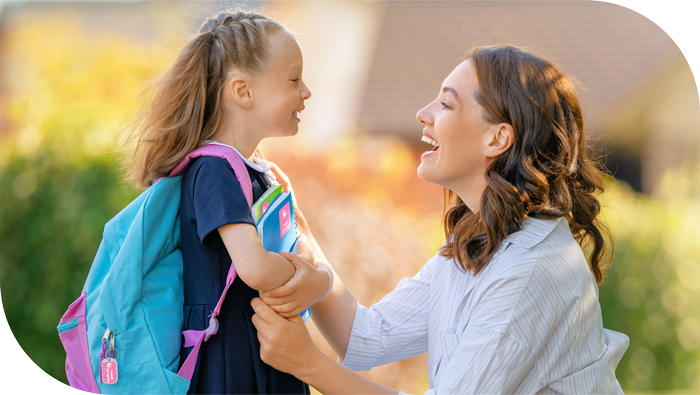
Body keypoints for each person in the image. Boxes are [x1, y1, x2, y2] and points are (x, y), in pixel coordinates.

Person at [250, 45, 630, 394]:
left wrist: (307, 364)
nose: (423, 114)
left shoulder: (528, 270)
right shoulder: (478, 243)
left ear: (497, 139)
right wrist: (299, 231)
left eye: (446, 105)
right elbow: (365, 337)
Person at [123, 10, 333, 395]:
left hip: (264, 350)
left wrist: (317, 281)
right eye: (293, 79)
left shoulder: (260, 172)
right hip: (231, 360)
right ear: (242, 91)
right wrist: (309, 280)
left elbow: (299, 250)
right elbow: (254, 267)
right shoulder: (214, 171)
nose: (306, 92)